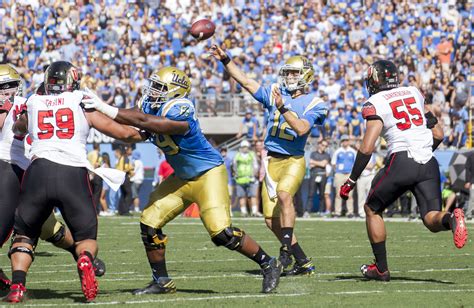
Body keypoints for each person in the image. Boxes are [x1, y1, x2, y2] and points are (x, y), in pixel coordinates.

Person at [82, 66, 282, 294]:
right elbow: (128, 133)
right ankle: (162, 281)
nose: (152, 91)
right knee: (149, 223)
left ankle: (268, 263)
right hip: (181, 177)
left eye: (159, 87)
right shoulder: (150, 106)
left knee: (221, 233)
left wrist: (104, 106)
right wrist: (91, 112)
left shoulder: (182, 107)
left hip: (208, 174)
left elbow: (154, 123)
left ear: (175, 91)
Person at [5, 61, 144, 303]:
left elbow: (19, 127)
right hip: (72, 173)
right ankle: (85, 259)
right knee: (85, 237)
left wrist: (23, 127)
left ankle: (17, 286)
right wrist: (149, 132)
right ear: (74, 80)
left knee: (25, 235)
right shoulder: (81, 101)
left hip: (38, 171)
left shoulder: (34, 102)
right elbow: (123, 133)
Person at [339, 60, 468, 282]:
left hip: (401, 159)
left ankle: (381, 268)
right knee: (431, 219)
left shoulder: (375, 102)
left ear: (375, 80)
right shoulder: (413, 92)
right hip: (428, 161)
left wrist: (351, 180)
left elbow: (367, 146)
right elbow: (438, 134)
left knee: (371, 208)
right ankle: (452, 219)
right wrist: (422, 153)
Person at [211, 45, 328, 275]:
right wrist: (226, 60)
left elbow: (302, 128)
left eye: (294, 73)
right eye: (288, 73)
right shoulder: (276, 93)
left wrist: (283, 108)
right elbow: (246, 81)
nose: (289, 77)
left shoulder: (315, 103)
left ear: (306, 75)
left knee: (285, 196)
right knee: (269, 220)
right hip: (271, 161)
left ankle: (285, 250)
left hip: (293, 160)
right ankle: (303, 262)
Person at [233, 140, 261, 217]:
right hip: (240, 179)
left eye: (246, 147)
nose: (245, 148)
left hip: (250, 178)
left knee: (253, 195)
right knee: (241, 196)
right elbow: (234, 166)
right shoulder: (237, 155)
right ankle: (244, 212)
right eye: (243, 147)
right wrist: (236, 174)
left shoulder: (251, 154)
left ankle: (254, 211)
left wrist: (254, 174)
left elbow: (255, 165)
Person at [332, 135, 356, 217]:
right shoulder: (338, 151)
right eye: (343, 140)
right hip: (340, 174)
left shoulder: (352, 151)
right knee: (338, 194)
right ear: (341, 142)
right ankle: (337, 212)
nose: (345, 142)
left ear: (348, 141)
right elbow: (333, 163)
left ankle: (350, 212)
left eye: (346, 140)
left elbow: (356, 163)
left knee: (350, 194)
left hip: (349, 174)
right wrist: (338, 170)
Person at [307, 140, 331, 217]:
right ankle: (307, 211)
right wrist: (320, 163)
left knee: (322, 195)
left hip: (323, 175)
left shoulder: (327, 155)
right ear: (319, 145)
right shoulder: (313, 154)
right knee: (311, 194)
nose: (324, 147)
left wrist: (315, 163)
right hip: (314, 174)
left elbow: (324, 164)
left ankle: (321, 211)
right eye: (323, 145)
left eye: (326, 146)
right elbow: (310, 163)